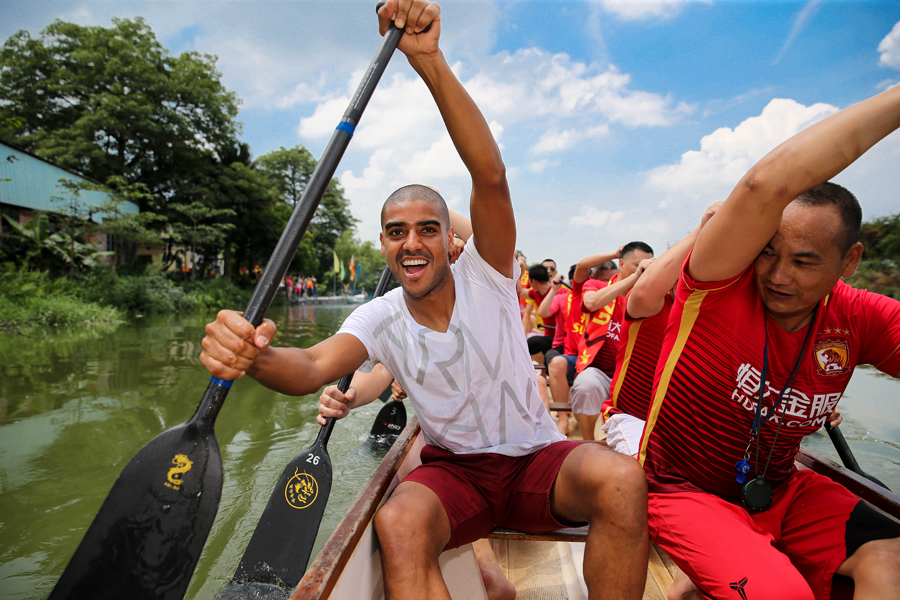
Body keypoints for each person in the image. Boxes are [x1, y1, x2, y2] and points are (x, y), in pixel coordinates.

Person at [200, 3, 648, 599]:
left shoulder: (488, 272)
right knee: (398, 521)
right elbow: (307, 367)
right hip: (457, 473)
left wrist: (429, 60)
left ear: (448, 239)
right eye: (396, 232)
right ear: (384, 246)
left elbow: (490, 175)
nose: (411, 243)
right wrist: (253, 355)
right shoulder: (379, 317)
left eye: (427, 229)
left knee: (622, 478)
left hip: (537, 459)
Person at [640, 85, 900, 600]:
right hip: (680, 488)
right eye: (768, 252)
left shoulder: (862, 316)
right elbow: (763, 185)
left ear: (849, 261)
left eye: (804, 261)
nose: (778, 276)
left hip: (780, 488)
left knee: (891, 560)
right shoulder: (719, 284)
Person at [603, 206, 719, 456]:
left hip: (681, 427)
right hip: (633, 417)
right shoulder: (651, 306)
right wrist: (702, 230)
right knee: (644, 469)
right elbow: (645, 291)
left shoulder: (712, 316)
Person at [569, 242, 653, 440]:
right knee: (586, 385)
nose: (644, 269)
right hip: (600, 371)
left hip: (632, 375)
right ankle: (588, 441)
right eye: (638, 265)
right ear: (621, 264)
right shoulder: (598, 285)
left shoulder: (650, 297)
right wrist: (634, 277)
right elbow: (591, 302)